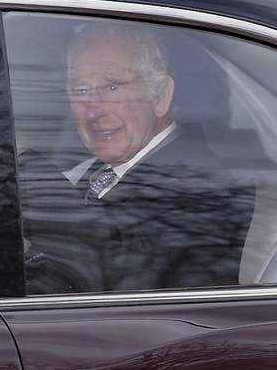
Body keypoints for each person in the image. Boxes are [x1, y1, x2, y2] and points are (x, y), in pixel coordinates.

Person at [24, 21, 255, 294]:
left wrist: (16, 169)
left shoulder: (201, 184)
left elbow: (108, 257)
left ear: (160, 95)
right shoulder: (92, 172)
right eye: (80, 90)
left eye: (111, 87)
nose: (92, 111)